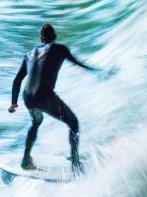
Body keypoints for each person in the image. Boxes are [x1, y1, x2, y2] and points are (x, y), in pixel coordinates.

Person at [10, 23, 99, 174]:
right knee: (73, 123)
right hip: (44, 96)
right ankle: (75, 164)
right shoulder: (60, 49)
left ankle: (26, 160)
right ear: (55, 37)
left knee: (36, 121)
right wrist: (97, 71)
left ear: (41, 39)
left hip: (27, 97)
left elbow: (17, 80)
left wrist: (13, 103)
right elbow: (79, 64)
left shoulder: (29, 54)